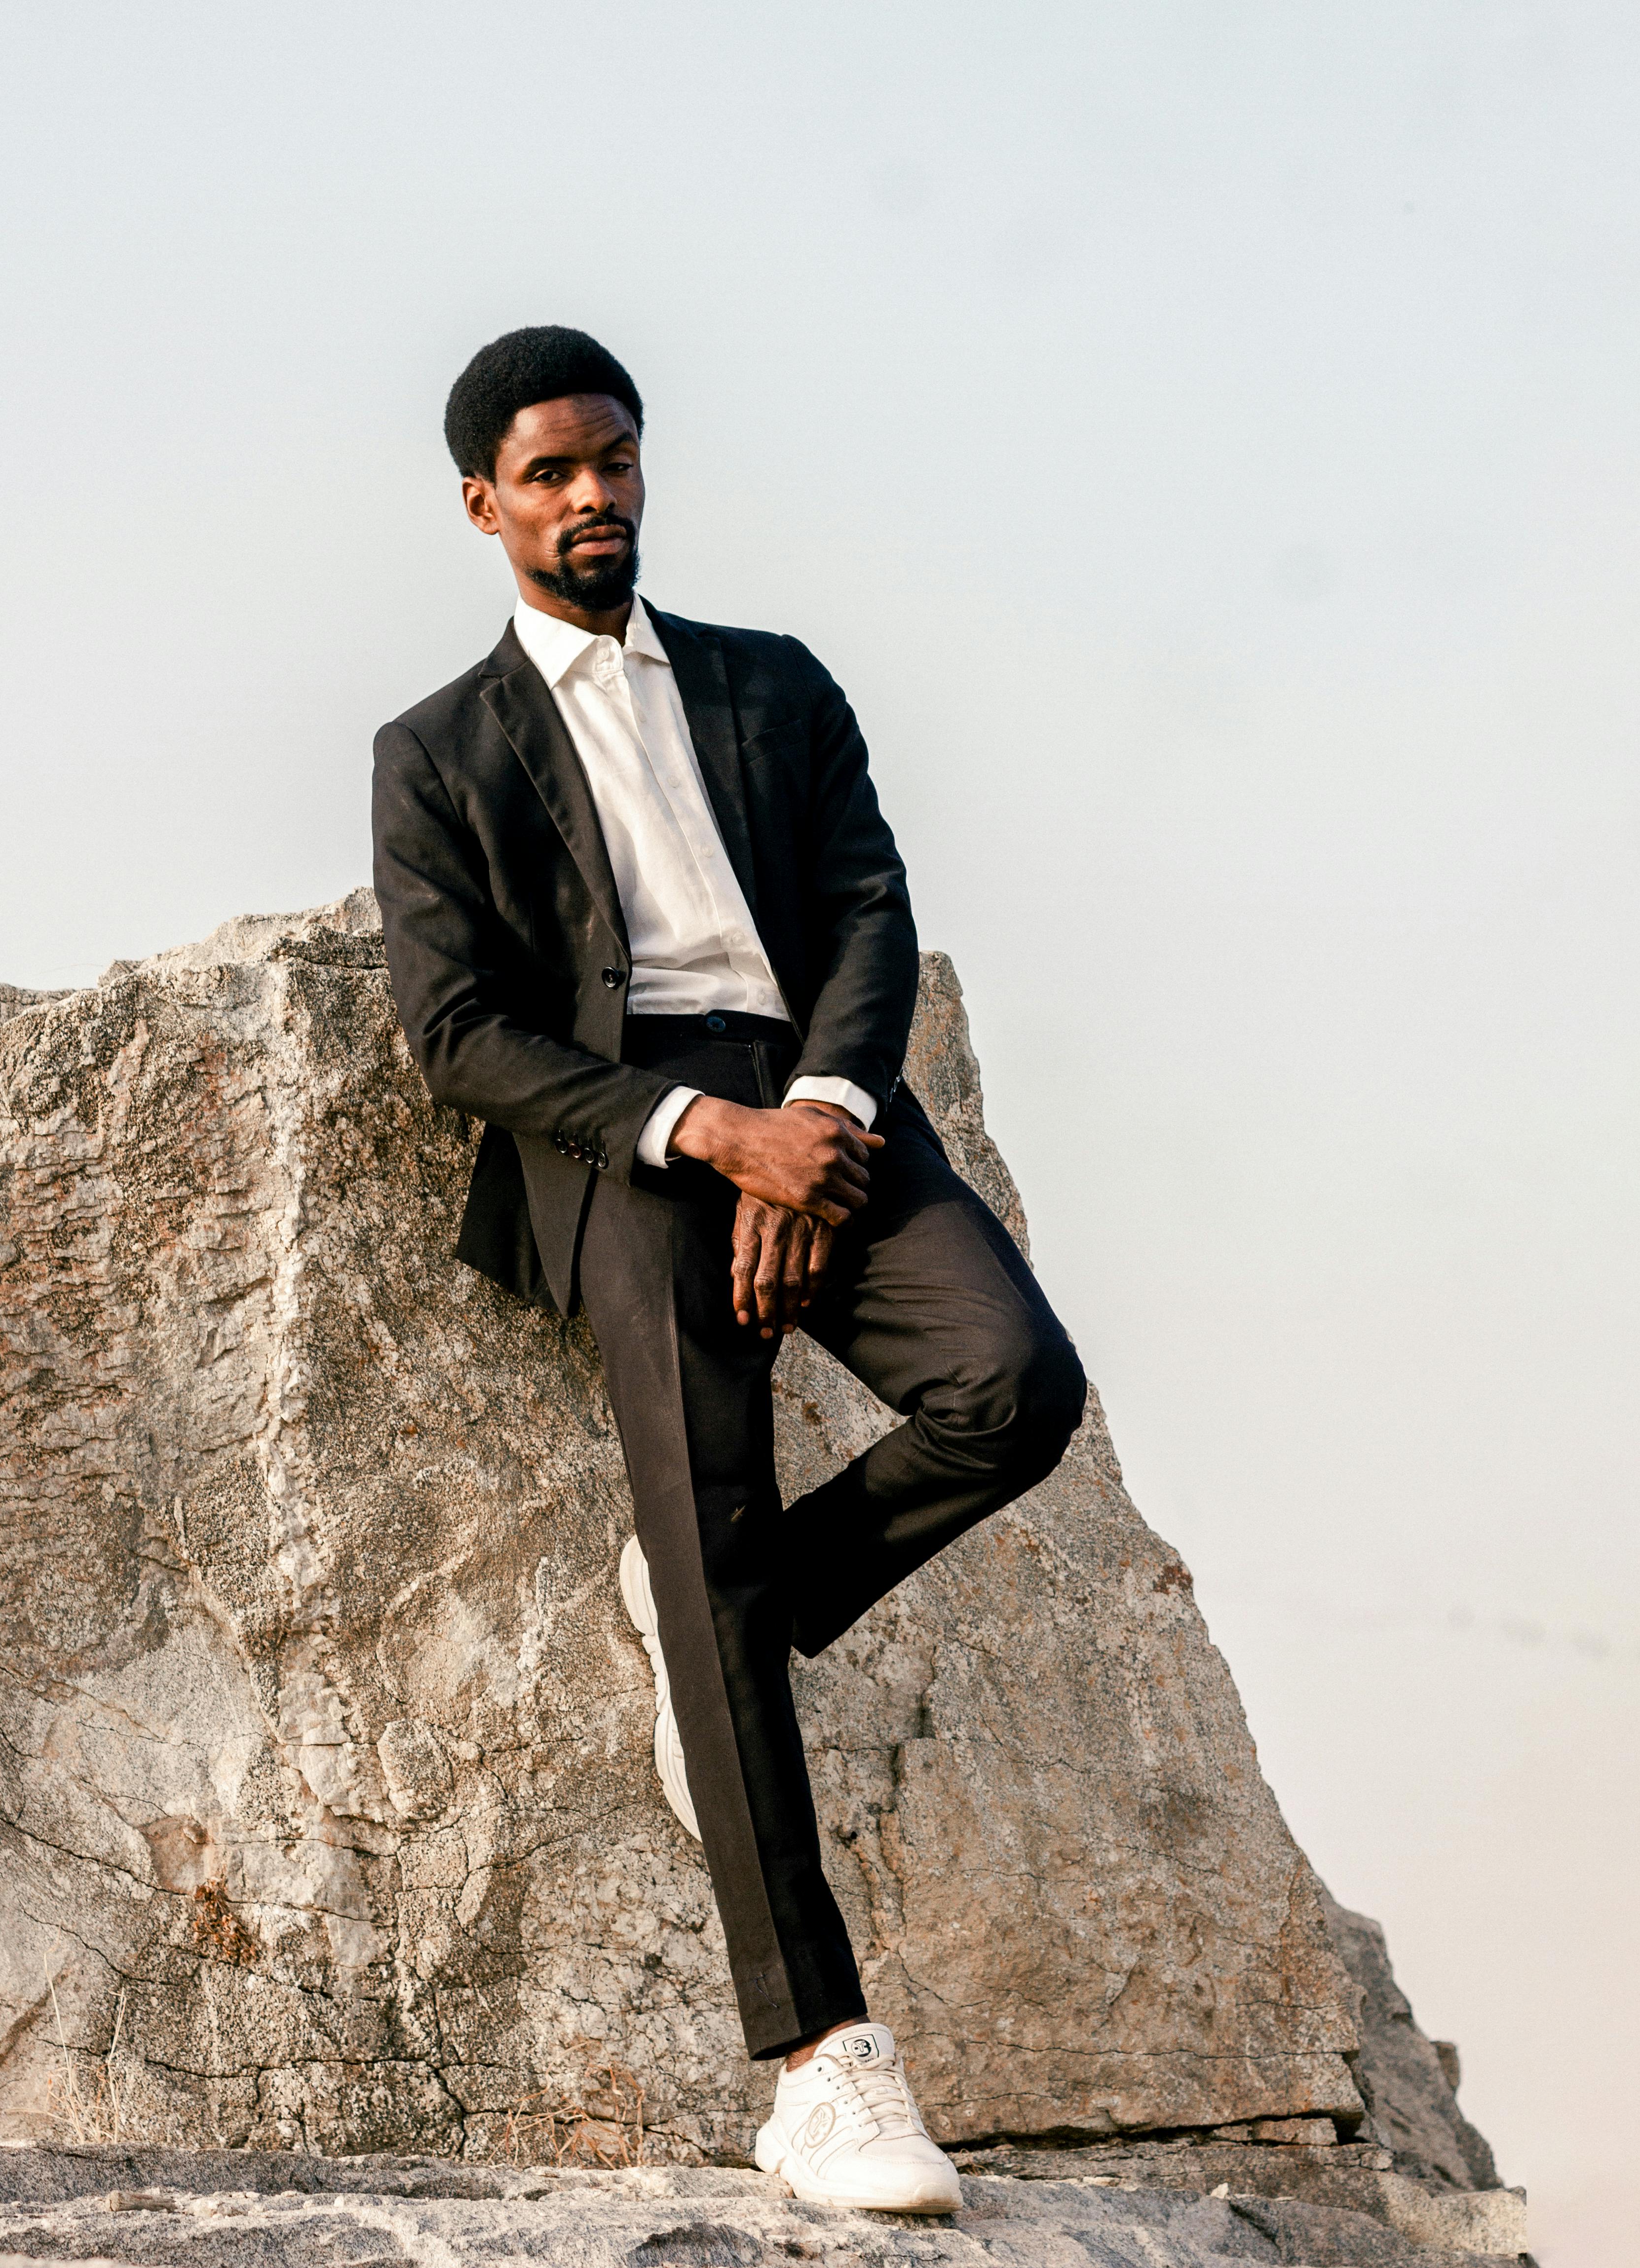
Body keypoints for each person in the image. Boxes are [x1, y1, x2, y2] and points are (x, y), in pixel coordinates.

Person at [372, 326, 1087, 2215]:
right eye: (549, 473)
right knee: (698, 1503)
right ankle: (820, 2064)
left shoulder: (774, 683)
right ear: (482, 504)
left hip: (822, 1098)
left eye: (612, 458)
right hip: (632, 1141)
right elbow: (457, 1033)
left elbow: (865, 906)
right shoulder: (436, 751)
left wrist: (822, 1116)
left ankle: (730, 1610)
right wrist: (709, 1137)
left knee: (1014, 1386)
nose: (591, 494)